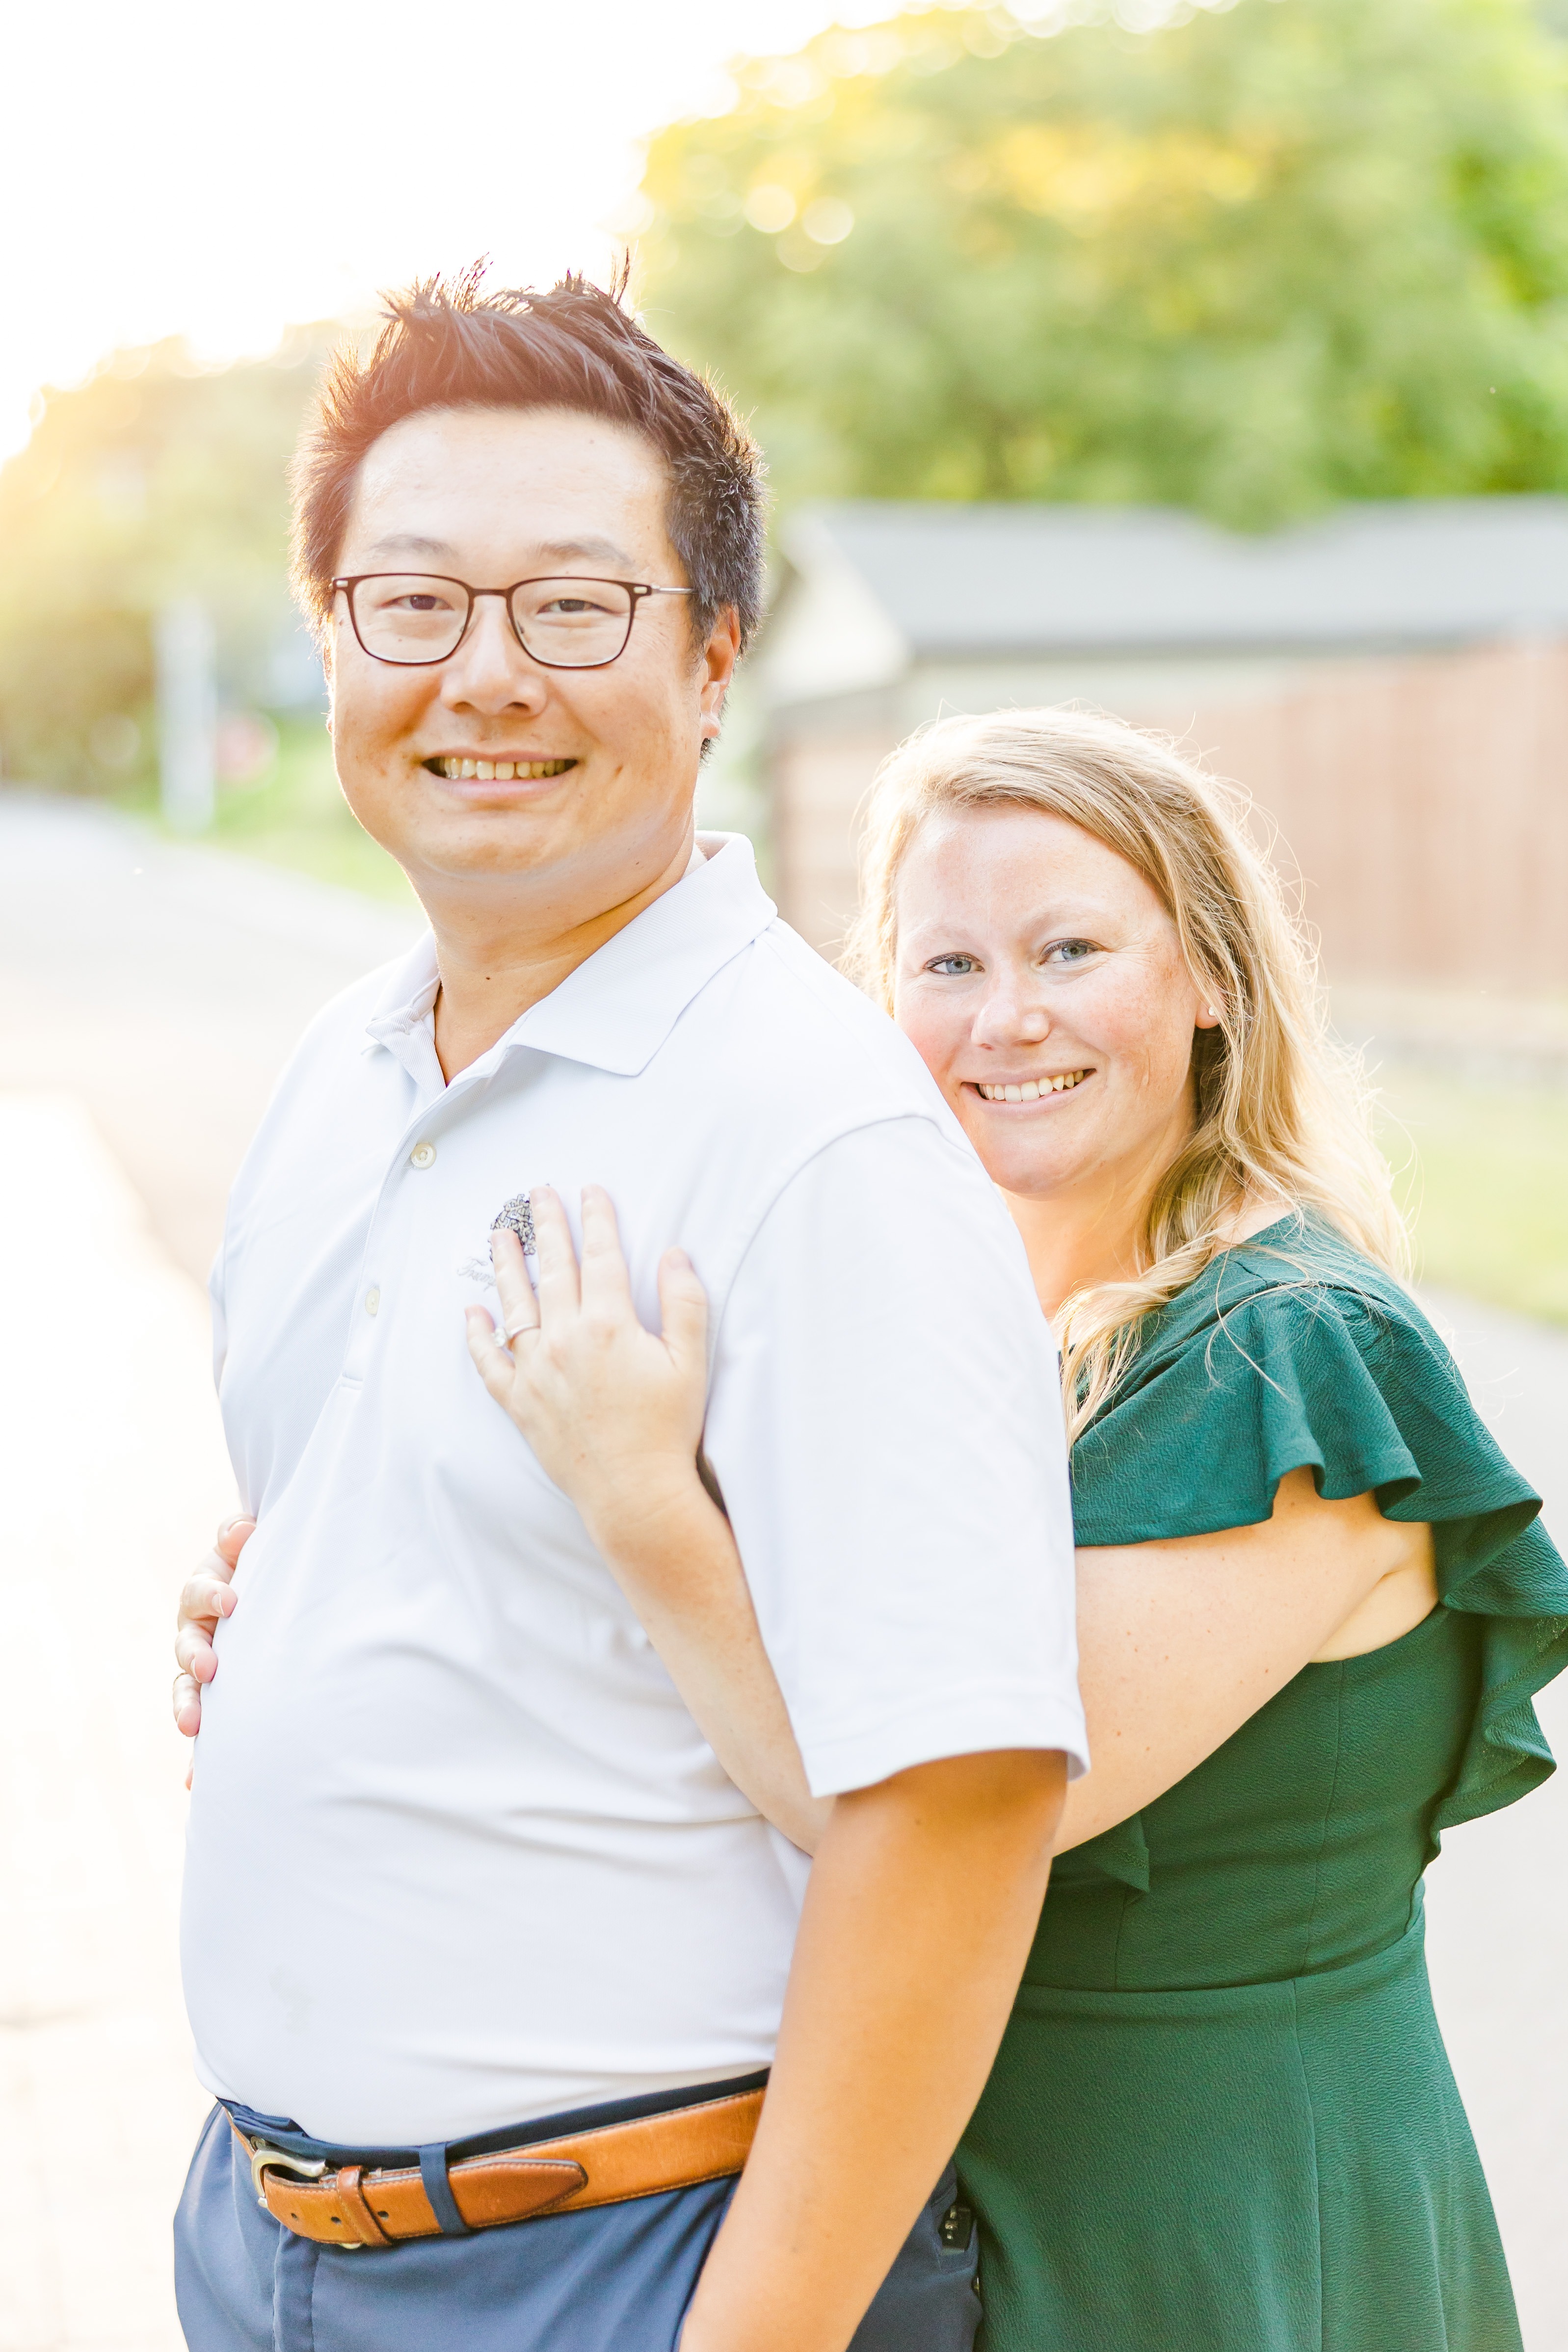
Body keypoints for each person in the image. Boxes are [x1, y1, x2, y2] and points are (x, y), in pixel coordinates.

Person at [186, 702, 1567, 2350]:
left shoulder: (1288, 1353)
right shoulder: (954, 1327)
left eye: (1068, 949)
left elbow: (911, 1809)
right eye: (946, 966)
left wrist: (641, 1504)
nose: (1008, 1018)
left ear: (1210, 981)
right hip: (929, 2178)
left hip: (1201, 2215)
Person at [167, 277, 1088, 2352]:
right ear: (330, 635)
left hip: (631, 2263)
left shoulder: (809, 1126)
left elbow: (957, 1807)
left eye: (573, 608)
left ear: (712, 655)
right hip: (273, 2246)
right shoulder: (344, 1062)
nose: (483, 675)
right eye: (412, 603)